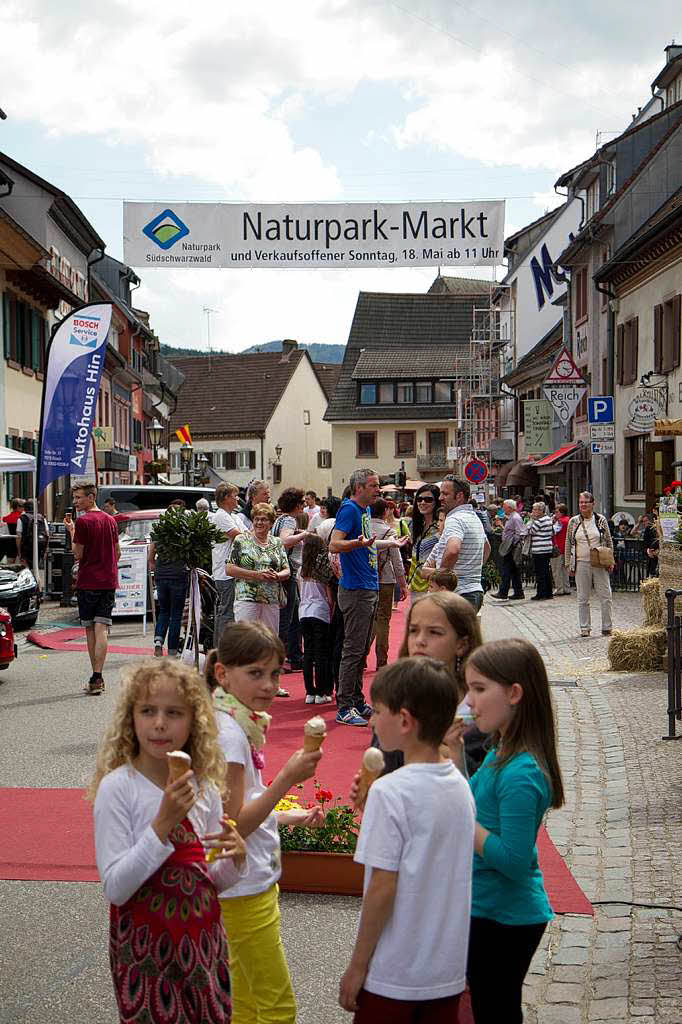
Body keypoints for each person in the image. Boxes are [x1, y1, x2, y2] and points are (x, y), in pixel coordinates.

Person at [90, 658, 246, 1024]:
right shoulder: (118, 789)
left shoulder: (203, 786)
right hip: (146, 949)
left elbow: (205, 877)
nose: (159, 723)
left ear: (194, 722)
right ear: (131, 717)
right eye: (147, 711)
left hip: (202, 940)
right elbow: (116, 887)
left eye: (174, 713)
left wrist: (235, 861)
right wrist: (161, 825)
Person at [339, 658, 476, 1021]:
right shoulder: (461, 786)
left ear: (404, 721)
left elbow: (383, 886)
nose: (371, 720)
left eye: (378, 711)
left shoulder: (389, 792)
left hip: (393, 972)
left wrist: (358, 964)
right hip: (444, 971)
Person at [206, 622, 324, 1024]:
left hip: (245, 880)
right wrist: (288, 778)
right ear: (222, 673)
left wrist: (290, 817)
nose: (270, 684)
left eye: (275, 673)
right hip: (244, 886)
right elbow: (233, 821)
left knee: (246, 999)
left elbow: (241, 804)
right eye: (255, 673)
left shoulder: (236, 721)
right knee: (276, 1007)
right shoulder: (229, 735)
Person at [445, 638, 565, 1024]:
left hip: (506, 917)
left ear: (513, 693)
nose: (470, 702)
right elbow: (474, 803)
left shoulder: (522, 771)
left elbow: (514, 860)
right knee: (488, 1004)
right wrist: (454, 756)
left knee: (496, 1008)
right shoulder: (500, 750)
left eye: (479, 690)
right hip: (488, 907)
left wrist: (464, 824)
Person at [330, 469, 407, 727]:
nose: (378, 490)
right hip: (355, 590)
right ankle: (344, 706)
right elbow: (334, 544)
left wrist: (387, 545)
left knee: (362, 649)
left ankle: (356, 699)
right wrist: (359, 544)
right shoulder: (350, 509)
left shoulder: (363, 510)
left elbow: (368, 542)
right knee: (353, 649)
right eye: (374, 486)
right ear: (359, 487)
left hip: (368, 587)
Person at [63, 484, 120, 696]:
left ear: (91, 497)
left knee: (91, 629)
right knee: (102, 627)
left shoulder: (84, 522)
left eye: (79, 498)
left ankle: (96, 677)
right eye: (75, 498)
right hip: (108, 580)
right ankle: (98, 676)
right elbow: (117, 552)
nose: (76, 502)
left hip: (88, 581)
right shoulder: (110, 520)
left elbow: (77, 554)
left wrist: (72, 532)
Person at [421, 476, 489, 612]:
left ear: (459, 496)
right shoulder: (473, 517)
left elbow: (453, 550)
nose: (440, 498)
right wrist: (470, 569)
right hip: (473, 591)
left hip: (457, 594)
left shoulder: (454, 519)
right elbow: (487, 548)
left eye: (445, 494)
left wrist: (440, 579)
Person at [226, 502, 290, 636]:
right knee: (245, 639)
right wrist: (256, 575)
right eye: (256, 519)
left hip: (271, 598)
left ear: (271, 523)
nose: (259, 523)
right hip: (247, 597)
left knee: (269, 639)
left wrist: (277, 576)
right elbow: (230, 569)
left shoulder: (277, 542)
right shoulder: (241, 540)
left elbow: (287, 570)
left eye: (264, 519)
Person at [565, 492, 614, 637]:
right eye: (581, 502)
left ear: (593, 503)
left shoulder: (600, 520)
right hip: (580, 563)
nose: (583, 505)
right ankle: (584, 628)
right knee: (583, 597)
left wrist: (611, 560)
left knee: (605, 595)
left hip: (599, 562)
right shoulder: (573, 522)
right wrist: (569, 564)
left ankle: (607, 627)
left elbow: (609, 540)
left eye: (586, 502)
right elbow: (568, 543)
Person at [368, 499, 408, 670]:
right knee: (383, 619)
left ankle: (361, 656)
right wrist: (403, 583)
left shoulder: (364, 528)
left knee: (368, 619)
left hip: (366, 578)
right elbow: (397, 561)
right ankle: (381, 661)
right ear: (385, 511)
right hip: (385, 579)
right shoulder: (389, 531)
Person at [272, 488, 308, 671]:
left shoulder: (280, 519)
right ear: (295, 505)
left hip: (286, 572)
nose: (304, 505)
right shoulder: (289, 520)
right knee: (286, 619)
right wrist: (304, 534)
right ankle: (279, 660)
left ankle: (294, 655)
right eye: (302, 502)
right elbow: (284, 541)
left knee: (293, 617)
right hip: (288, 573)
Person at [148, 503, 190, 658]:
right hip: (178, 575)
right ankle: (172, 650)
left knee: (164, 611)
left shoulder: (158, 532)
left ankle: (158, 641)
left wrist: (156, 570)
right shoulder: (184, 532)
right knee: (176, 614)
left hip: (162, 575)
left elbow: (151, 555)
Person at [298, 532, 334, 704]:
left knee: (308, 653)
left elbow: (300, 592)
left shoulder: (301, 570)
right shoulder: (322, 570)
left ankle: (309, 691)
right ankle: (322, 691)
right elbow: (328, 595)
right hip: (320, 611)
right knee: (322, 653)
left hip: (304, 612)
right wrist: (332, 609)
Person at [212, 482, 243, 645]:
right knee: (226, 612)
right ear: (225, 498)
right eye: (234, 496)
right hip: (225, 573)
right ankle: (221, 648)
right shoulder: (221, 516)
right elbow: (240, 536)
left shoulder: (234, 516)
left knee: (230, 611)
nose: (237, 499)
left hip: (232, 571)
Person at [406, 484, 440, 599]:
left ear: (436, 502)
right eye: (419, 499)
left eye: (428, 499)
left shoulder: (440, 527)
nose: (423, 502)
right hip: (415, 582)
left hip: (433, 585)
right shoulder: (416, 526)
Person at [491, 499, 526, 601]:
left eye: (505, 507)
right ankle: (518, 592)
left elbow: (520, 532)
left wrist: (512, 542)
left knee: (506, 569)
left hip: (511, 547)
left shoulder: (515, 518)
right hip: (509, 546)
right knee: (514, 570)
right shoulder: (511, 517)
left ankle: (503, 592)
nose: (503, 508)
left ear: (510, 508)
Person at [527, 501, 554, 601]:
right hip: (547, 548)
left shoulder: (539, 521)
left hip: (539, 550)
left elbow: (529, 531)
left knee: (540, 572)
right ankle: (548, 592)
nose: (532, 512)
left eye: (534, 510)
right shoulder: (548, 519)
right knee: (546, 571)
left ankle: (541, 593)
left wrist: (531, 520)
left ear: (540, 510)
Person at [16, 499, 48, 572]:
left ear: (25, 508)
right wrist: (46, 549)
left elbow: (19, 536)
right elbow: (47, 534)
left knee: (26, 568)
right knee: (38, 567)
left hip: (27, 546)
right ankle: (37, 578)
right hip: (40, 545)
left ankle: (30, 578)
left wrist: (19, 551)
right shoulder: (42, 518)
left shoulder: (22, 518)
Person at [552, 503, 571, 596]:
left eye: (557, 512)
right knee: (564, 569)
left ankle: (559, 588)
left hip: (558, 548)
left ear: (561, 512)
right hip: (565, 547)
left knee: (556, 570)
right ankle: (566, 587)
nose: (555, 513)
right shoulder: (569, 520)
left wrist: (552, 521)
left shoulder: (560, 521)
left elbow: (552, 531)